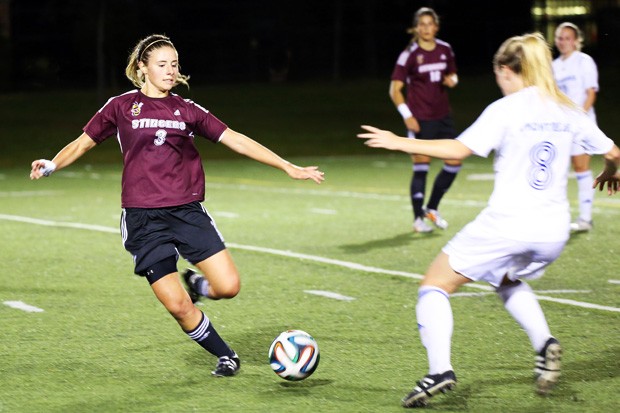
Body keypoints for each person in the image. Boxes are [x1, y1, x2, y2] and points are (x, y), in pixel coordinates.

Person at [30, 34, 324, 377]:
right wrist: (52, 164)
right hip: (143, 220)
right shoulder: (121, 106)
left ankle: (200, 285)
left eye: (174, 64)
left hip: (187, 213)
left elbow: (237, 139)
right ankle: (226, 355)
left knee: (228, 287)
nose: (170, 71)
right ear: (142, 67)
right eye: (162, 64)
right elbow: (83, 143)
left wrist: (287, 166)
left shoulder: (187, 110)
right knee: (178, 306)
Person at [358, 33, 620, 408]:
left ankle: (440, 370)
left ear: (508, 70)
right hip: (554, 230)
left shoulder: (506, 109)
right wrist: (611, 171)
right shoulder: (567, 109)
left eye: (499, 73)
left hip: (509, 223)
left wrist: (401, 141)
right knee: (503, 275)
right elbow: (613, 152)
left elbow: (458, 150)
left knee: (434, 285)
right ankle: (545, 343)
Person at [389, 7, 460, 233]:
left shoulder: (445, 49)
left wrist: (453, 81)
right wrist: (407, 116)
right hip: (420, 118)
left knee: (455, 162)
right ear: (416, 28)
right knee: (422, 166)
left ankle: (432, 208)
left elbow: (453, 75)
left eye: (430, 24)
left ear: (436, 27)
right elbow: (395, 90)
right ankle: (418, 218)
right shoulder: (408, 54)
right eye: (422, 24)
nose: (426, 28)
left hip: (443, 117)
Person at [552, 22, 599, 232]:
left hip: (581, 124)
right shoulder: (553, 65)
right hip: (560, 127)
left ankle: (586, 218)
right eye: (560, 38)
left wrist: (579, 118)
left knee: (581, 167)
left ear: (576, 40)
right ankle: (557, 217)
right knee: (558, 169)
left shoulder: (584, 62)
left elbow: (590, 93)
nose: (563, 42)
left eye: (567, 37)